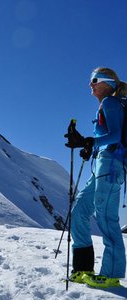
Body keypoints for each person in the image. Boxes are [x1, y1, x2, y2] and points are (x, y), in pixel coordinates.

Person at [65, 67, 127, 288]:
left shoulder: (110, 102)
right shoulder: (111, 104)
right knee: (80, 210)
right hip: (103, 164)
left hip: (111, 166)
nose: (90, 84)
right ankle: (83, 268)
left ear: (108, 83)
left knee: (107, 218)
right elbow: (107, 138)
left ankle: (111, 275)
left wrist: (89, 142)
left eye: (94, 80)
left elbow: (116, 135)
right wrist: (87, 144)